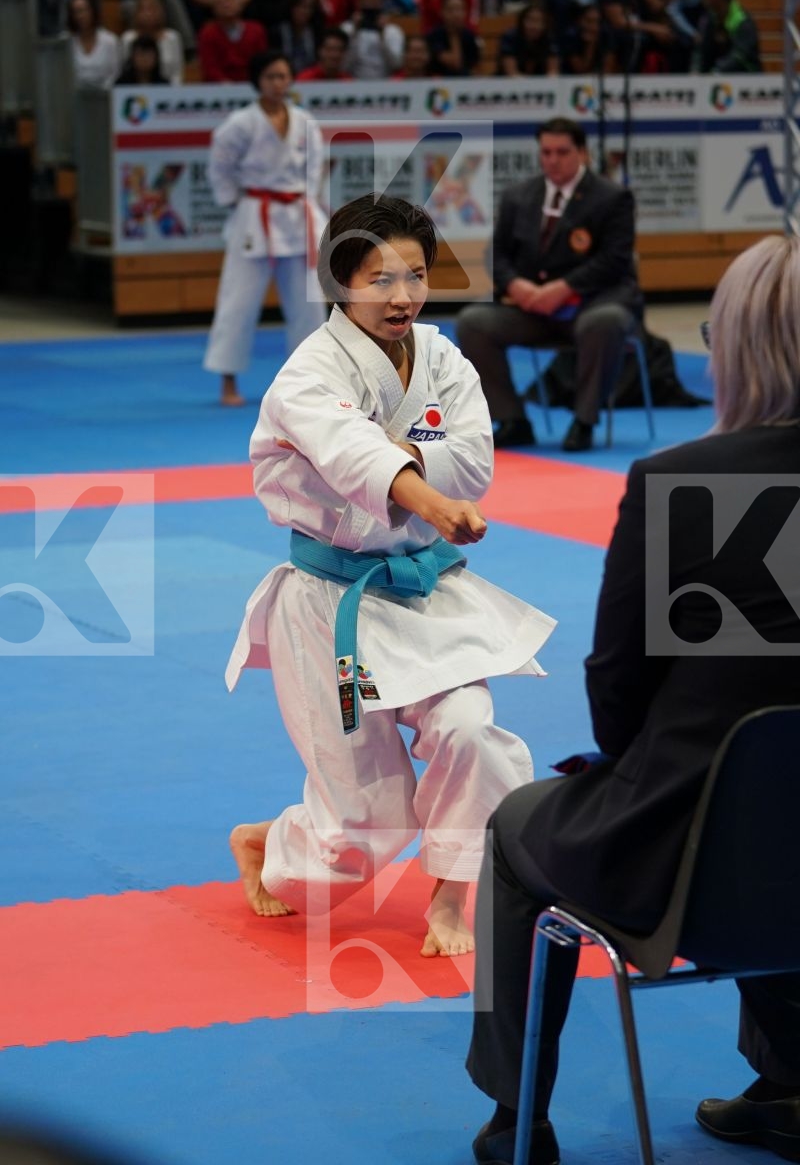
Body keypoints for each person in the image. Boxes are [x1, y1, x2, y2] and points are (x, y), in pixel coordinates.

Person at [466, 232, 800, 1165]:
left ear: (731, 347)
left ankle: (517, 1119)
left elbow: (616, 691)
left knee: (514, 823)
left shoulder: (677, 484)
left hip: (695, 878)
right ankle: (790, 1084)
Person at [224, 193, 557, 956]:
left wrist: (408, 469)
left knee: (472, 731)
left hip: (422, 589)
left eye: (414, 275)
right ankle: (264, 844)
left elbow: (476, 459)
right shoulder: (307, 375)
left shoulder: (442, 357)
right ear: (342, 284)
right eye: (380, 279)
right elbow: (351, 455)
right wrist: (429, 497)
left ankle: (450, 898)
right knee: (360, 831)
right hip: (328, 603)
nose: (402, 295)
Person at [456, 117, 642, 452]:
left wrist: (563, 288)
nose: (552, 160)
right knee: (474, 323)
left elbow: (615, 260)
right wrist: (516, 286)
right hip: (535, 311)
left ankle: (584, 421)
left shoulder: (613, 198)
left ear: (582, 153)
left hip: (592, 306)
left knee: (607, 322)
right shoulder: (519, 196)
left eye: (562, 152)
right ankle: (512, 419)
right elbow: (494, 255)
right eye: (546, 152)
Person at [202, 51, 327, 406]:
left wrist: (311, 200)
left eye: (283, 76)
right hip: (255, 215)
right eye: (271, 77)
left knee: (309, 305)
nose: (278, 84)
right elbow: (220, 166)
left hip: (297, 214)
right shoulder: (240, 124)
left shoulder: (305, 122)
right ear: (258, 80)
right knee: (238, 301)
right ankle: (228, 381)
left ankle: (311, 385)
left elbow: (315, 168)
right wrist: (233, 201)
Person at [197, 0, 268, 82]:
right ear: (213, 8)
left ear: (240, 5)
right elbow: (210, 67)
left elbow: (262, 62)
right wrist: (227, 87)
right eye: (220, 2)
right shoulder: (207, 33)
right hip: (220, 89)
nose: (226, 5)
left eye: (230, 0)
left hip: (252, 85)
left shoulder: (256, 30)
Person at [698, 0, 761, 73]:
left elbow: (740, 57)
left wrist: (716, 71)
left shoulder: (743, 21)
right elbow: (701, 52)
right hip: (715, 80)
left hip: (746, 82)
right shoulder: (709, 20)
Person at [341, 0, 404, 79]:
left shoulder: (393, 31)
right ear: (359, 3)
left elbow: (396, 65)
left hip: (385, 85)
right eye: (366, 3)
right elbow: (343, 66)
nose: (370, 7)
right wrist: (354, 34)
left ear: (381, 3)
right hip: (353, 84)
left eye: (374, 3)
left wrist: (382, 37)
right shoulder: (347, 29)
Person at [121, 0, 185, 84]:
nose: (147, 14)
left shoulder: (172, 37)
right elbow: (125, 70)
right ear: (136, 13)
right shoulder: (128, 38)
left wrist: (173, 94)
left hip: (167, 90)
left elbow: (177, 73)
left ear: (159, 11)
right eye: (143, 9)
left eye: (151, 9)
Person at [67, 0, 120, 89]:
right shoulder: (67, 43)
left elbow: (115, 73)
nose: (80, 16)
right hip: (75, 97)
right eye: (76, 12)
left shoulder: (110, 40)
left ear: (93, 11)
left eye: (83, 10)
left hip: (105, 96)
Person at [271, 0, 325, 76]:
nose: (305, 11)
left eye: (309, 7)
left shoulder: (317, 33)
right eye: (300, 6)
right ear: (291, 7)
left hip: (310, 79)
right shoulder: (277, 32)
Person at [497, 1, 559, 77]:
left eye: (538, 21)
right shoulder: (510, 37)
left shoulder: (549, 39)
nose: (534, 26)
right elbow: (511, 72)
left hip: (542, 84)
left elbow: (553, 72)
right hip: (509, 84)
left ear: (545, 24)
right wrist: (529, 85)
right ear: (522, 21)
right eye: (530, 20)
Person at [426, 0, 481, 77]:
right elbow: (455, 63)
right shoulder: (434, 36)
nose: (456, 14)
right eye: (451, 10)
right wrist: (453, 35)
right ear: (442, 12)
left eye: (459, 9)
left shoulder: (469, 36)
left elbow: (475, 67)